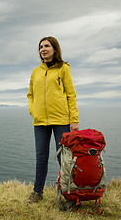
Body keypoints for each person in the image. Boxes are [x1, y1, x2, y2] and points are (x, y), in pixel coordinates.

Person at [26, 36, 79, 203]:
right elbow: (30, 95)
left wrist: (74, 119)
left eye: (47, 46)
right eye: (41, 47)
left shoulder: (64, 68)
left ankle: (69, 194)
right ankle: (37, 193)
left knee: (63, 158)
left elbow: (71, 95)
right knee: (41, 157)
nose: (43, 49)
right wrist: (33, 111)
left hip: (61, 120)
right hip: (40, 121)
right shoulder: (36, 71)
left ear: (54, 49)